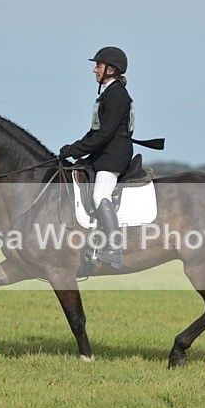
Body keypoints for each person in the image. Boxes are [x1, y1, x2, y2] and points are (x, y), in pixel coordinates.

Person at [60, 46, 135, 269]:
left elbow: (104, 134)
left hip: (113, 155)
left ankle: (114, 248)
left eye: (98, 66)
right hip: (104, 152)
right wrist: (73, 148)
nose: (94, 70)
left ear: (111, 69)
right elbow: (95, 132)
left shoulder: (117, 95)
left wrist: (75, 150)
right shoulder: (108, 93)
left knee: (100, 194)